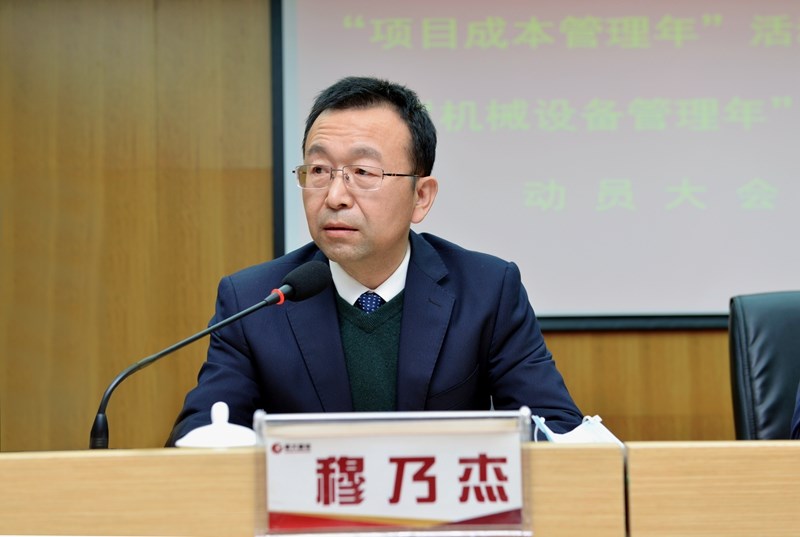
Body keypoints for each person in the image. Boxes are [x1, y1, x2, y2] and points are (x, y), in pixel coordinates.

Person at [167, 76, 583, 445]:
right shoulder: (254, 301)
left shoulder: (486, 290)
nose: (335, 196)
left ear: (421, 197)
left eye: (363, 172)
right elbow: (201, 434)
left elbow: (557, 429)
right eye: (319, 170)